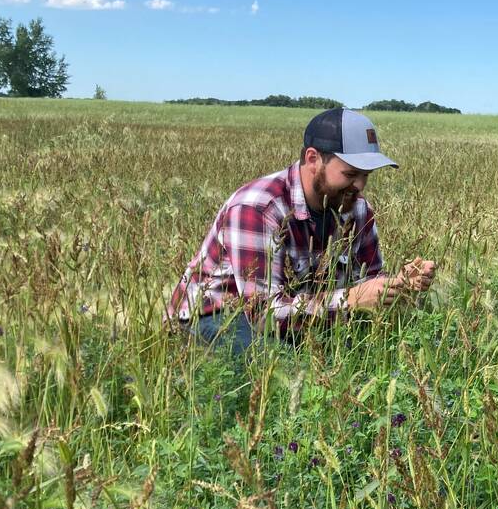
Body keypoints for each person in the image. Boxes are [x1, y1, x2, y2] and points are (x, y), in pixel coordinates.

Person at [165, 107, 436, 353]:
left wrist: (398, 284)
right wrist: (351, 300)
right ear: (313, 158)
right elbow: (262, 314)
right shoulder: (259, 208)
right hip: (218, 315)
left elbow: (368, 280)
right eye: (351, 174)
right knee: (286, 366)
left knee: (373, 351)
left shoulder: (356, 209)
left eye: (366, 175)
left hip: (296, 313)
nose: (360, 186)